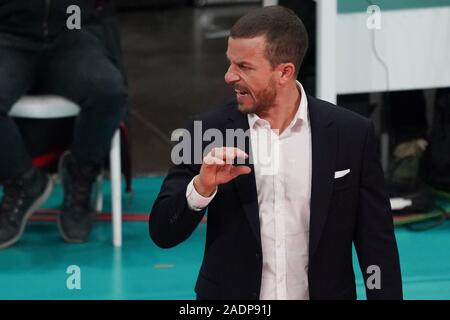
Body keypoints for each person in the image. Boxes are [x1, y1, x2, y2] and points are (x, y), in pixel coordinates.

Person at [149, 6, 402, 300]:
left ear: (284, 72)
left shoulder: (351, 134)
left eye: (244, 67)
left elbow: (377, 246)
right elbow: (162, 233)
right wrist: (201, 189)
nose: (229, 76)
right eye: (230, 63)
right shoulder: (206, 131)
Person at [0, 0, 127, 248]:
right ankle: (23, 182)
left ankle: (80, 172)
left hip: (72, 35)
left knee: (109, 92)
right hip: (9, 35)